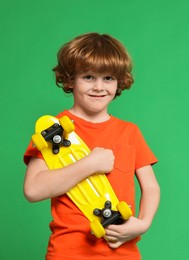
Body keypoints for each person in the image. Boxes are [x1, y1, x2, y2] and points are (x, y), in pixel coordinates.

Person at [23, 32, 160, 260]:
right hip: (68, 253)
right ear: (69, 79)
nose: (99, 86)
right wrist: (89, 164)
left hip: (122, 252)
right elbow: (33, 190)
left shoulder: (130, 132)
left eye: (108, 78)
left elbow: (152, 187)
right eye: (88, 77)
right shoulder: (54, 131)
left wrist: (143, 224)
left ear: (119, 82)